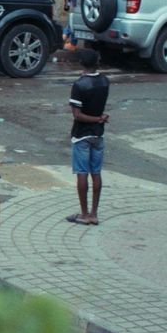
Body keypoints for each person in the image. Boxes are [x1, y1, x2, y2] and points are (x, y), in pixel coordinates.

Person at [65, 49, 110, 226]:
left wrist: (97, 118)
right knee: (96, 173)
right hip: (98, 134)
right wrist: (100, 119)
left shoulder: (79, 85)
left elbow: (78, 115)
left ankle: (84, 214)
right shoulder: (105, 81)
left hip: (82, 135)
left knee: (82, 173)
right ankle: (94, 213)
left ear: (82, 63)